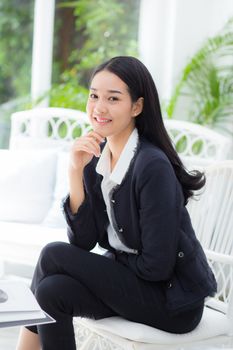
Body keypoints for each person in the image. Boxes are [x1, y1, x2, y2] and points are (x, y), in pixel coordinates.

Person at [16, 56, 217, 350]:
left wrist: (111, 267)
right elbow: (83, 241)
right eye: (94, 96)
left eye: (113, 98)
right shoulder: (96, 157)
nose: (99, 107)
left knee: (53, 254)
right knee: (51, 291)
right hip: (135, 286)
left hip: (172, 301)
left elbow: (157, 267)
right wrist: (74, 170)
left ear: (136, 106)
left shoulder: (152, 166)